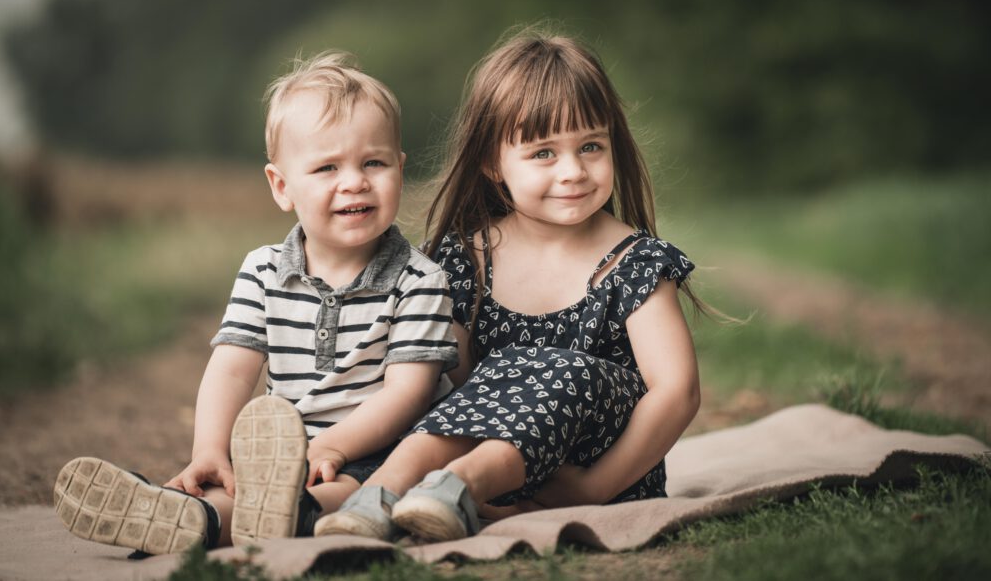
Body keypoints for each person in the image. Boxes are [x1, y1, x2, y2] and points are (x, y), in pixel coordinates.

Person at [52, 52, 459, 555]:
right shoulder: (264, 269)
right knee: (238, 487)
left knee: (358, 484)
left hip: (382, 443)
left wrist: (332, 446)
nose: (354, 181)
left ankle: (292, 514)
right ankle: (188, 516)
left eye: (373, 163)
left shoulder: (419, 278)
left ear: (400, 169)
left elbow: (408, 394)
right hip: (281, 451)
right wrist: (209, 449)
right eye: (327, 167)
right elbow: (231, 371)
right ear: (282, 186)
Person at [314, 29, 702, 543]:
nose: (573, 171)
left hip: (602, 469)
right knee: (450, 391)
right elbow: (443, 382)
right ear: (493, 163)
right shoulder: (464, 256)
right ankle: (372, 498)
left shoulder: (635, 262)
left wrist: (591, 488)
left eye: (591, 146)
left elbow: (677, 392)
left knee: (548, 365)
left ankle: (459, 487)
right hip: (484, 448)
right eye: (544, 153)